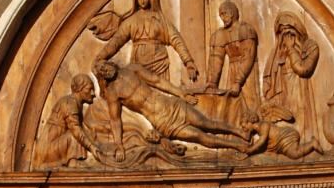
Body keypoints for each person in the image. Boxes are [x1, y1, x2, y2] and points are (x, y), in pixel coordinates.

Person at [92, 59, 253, 162]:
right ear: (102, 78)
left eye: (105, 66)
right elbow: (115, 120)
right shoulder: (113, 93)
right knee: (200, 136)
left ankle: (239, 132)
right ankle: (236, 146)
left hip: (170, 105)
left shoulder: (132, 69)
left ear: (110, 63)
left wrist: (180, 93)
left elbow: (157, 81)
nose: (106, 70)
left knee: (206, 123)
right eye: (102, 72)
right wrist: (119, 144)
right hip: (162, 122)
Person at [92, 0, 199, 83]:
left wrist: (188, 61)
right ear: (136, 0)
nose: (142, 1)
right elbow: (116, 42)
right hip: (139, 63)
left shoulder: (160, 20)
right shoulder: (131, 21)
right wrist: (99, 57)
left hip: (159, 60)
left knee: (162, 96)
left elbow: (176, 40)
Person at [262, 9, 320, 142]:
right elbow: (269, 76)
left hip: (299, 90)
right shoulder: (276, 53)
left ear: (297, 29)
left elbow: (303, 69)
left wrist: (291, 48)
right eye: (281, 31)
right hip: (283, 93)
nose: (285, 35)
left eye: (288, 30)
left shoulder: (310, 46)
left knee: (301, 122)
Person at [33, 74, 101, 167]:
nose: (93, 93)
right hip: (46, 151)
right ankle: (72, 162)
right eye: (89, 89)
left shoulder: (76, 103)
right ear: (80, 89)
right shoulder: (69, 102)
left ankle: (72, 160)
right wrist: (91, 147)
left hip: (54, 146)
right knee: (75, 133)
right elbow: (76, 130)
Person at [205, 0, 259, 103]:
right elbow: (215, 60)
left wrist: (238, 82)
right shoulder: (220, 34)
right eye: (220, 15)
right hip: (232, 70)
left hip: (247, 72)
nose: (222, 18)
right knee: (233, 106)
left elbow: (248, 57)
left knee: (249, 104)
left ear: (232, 13)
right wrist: (211, 82)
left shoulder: (245, 29)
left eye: (224, 14)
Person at [245, 103, 323, 160]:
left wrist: (251, 150)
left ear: (250, 121)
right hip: (280, 144)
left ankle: (312, 144)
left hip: (286, 136)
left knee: (294, 154)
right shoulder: (259, 130)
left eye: (244, 125)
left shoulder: (264, 124)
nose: (244, 129)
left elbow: (262, 140)